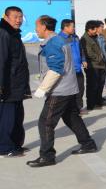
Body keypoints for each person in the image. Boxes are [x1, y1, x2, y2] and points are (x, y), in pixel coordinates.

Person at [27, 15, 97, 168]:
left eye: (37, 26)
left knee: (45, 123)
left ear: (44, 27)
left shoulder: (53, 42)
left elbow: (56, 69)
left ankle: (47, 156)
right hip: (69, 87)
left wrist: (42, 89)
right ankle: (88, 144)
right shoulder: (60, 40)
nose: (36, 29)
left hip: (59, 90)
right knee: (71, 117)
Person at [0, 6, 30, 157]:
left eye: (20, 17)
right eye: (15, 17)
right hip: (8, 85)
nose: (19, 20)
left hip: (17, 84)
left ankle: (16, 145)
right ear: (6, 17)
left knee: (18, 117)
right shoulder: (3, 33)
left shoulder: (14, 34)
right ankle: (4, 148)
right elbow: (1, 61)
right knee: (7, 118)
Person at [60, 19, 87, 113]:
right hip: (68, 70)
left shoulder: (75, 37)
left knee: (80, 88)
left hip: (78, 68)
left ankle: (79, 107)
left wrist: (83, 60)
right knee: (70, 90)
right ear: (65, 27)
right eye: (72, 26)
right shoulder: (59, 39)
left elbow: (81, 49)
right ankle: (70, 109)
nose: (74, 28)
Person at [80, 20, 106, 111]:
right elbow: (89, 53)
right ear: (89, 29)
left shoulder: (96, 37)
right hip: (92, 65)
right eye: (95, 29)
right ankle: (91, 104)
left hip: (101, 64)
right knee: (92, 85)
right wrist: (100, 58)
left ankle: (98, 101)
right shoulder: (85, 39)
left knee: (100, 84)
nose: (96, 31)